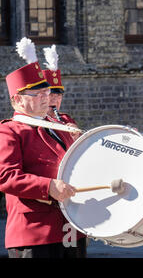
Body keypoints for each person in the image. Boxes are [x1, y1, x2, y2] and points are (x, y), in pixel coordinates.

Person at [0, 37, 86, 258]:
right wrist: (48, 187)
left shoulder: (62, 127)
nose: (45, 99)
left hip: (72, 228)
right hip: (35, 233)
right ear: (17, 100)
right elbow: (6, 176)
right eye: (36, 94)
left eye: (46, 93)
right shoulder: (9, 131)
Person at [41, 45, 81, 141]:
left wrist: (77, 138)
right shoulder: (34, 122)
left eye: (58, 95)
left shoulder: (66, 119)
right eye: (50, 94)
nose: (55, 99)